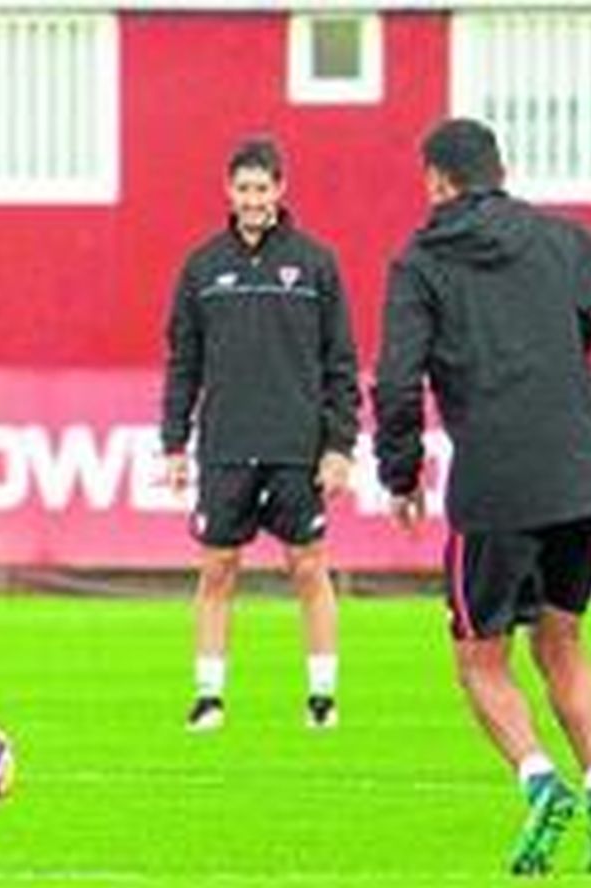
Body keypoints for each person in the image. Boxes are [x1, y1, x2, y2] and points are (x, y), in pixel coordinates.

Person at [373, 118, 591, 873]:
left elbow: (397, 379)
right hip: (583, 474)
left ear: (436, 181)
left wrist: (401, 471)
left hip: (496, 481)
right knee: (562, 639)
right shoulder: (564, 239)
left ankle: (541, 782)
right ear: (501, 171)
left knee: (479, 658)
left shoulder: (420, 262)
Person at [160, 137, 360, 733]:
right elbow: (184, 362)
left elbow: (341, 362)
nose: (252, 199)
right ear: (230, 191)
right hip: (226, 444)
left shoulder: (316, 263)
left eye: (262, 188)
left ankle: (322, 696)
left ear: (280, 189)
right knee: (218, 569)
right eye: (243, 188)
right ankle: (208, 696)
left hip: (297, 445)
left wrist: (340, 445)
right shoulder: (202, 267)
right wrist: (174, 443)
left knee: (308, 568)